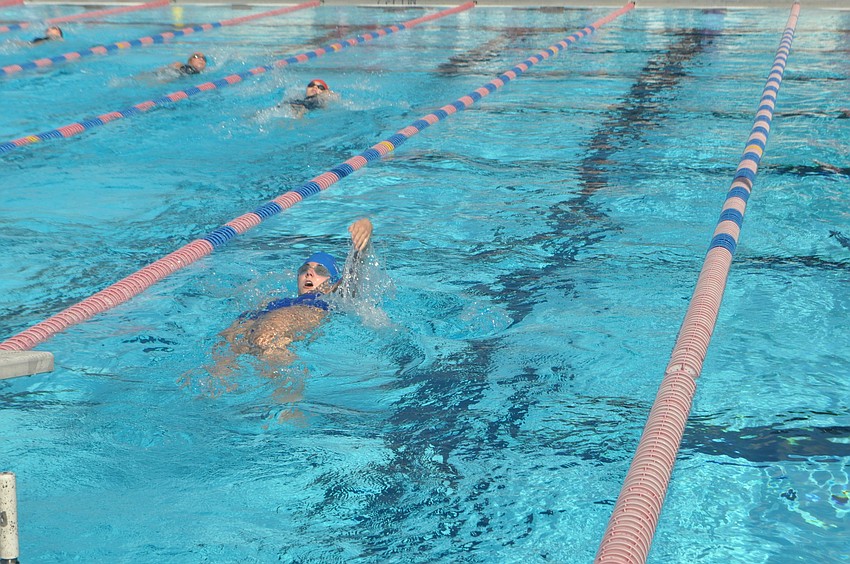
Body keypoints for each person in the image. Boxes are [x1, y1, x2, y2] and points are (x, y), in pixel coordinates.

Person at [214, 218, 373, 368]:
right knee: (223, 349)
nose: (309, 273)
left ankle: (288, 393)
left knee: (264, 339)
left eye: (320, 270)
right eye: (304, 269)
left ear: (332, 282)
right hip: (262, 319)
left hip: (294, 318)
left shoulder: (330, 296)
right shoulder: (278, 299)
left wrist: (363, 237)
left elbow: (354, 273)